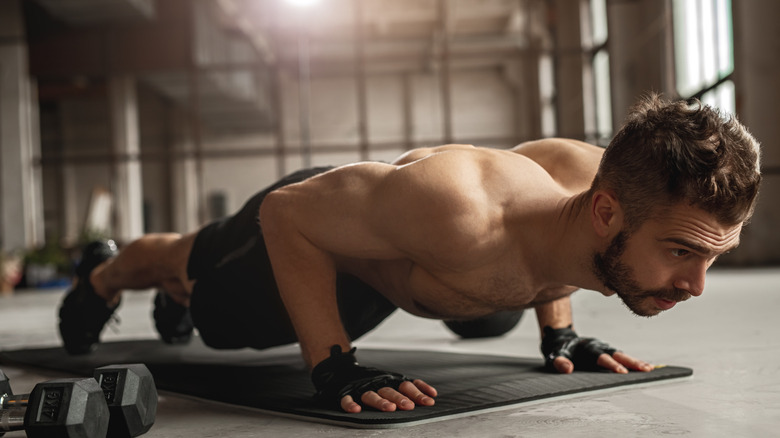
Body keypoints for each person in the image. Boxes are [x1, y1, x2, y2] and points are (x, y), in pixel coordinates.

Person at [57, 94, 761, 414]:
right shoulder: (461, 213)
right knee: (202, 288)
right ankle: (106, 272)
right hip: (323, 228)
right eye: (680, 253)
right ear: (609, 212)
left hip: (409, 258)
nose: (695, 284)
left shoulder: (597, 184)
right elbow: (286, 215)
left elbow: (556, 239)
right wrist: (332, 367)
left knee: (482, 314)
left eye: (712, 257)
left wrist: (561, 334)